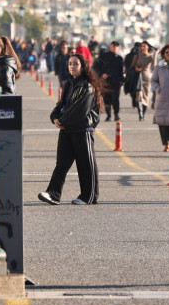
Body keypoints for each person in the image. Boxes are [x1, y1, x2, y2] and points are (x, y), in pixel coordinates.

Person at [37, 53, 105, 206]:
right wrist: (54, 117)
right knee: (61, 163)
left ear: (82, 66)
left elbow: (79, 110)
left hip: (82, 129)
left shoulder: (87, 86)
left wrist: (62, 121)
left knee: (86, 164)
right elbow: (61, 104)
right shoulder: (69, 83)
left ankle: (89, 196)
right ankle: (53, 194)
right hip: (67, 129)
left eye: (75, 64)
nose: (72, 66)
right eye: (70, 64)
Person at [93, 41, 124, 122]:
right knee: (107, 99)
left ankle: (116, 114)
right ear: (110, 46)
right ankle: (109, 115)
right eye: (114, 46)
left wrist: (122, 80)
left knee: (116, 98)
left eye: (117, 46)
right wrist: (101, 74)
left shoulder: (119, 58)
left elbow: (121, 71)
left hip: (116, 82)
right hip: (106, 82)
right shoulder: (104, 56)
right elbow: (96, 67)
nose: (115, 48)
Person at [131, 41, 156, 120]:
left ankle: (144, 113)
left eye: (144, 46)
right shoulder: (137, 56)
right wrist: (136, 68)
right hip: (138, 77)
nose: (142, 47)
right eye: (141, 46)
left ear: (148, 47)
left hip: (147, 77)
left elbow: (154, 65)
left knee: (146, 96)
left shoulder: (150, 56)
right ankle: (140, 115)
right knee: (139, 96)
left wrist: (155, 55)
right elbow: (132, 66)